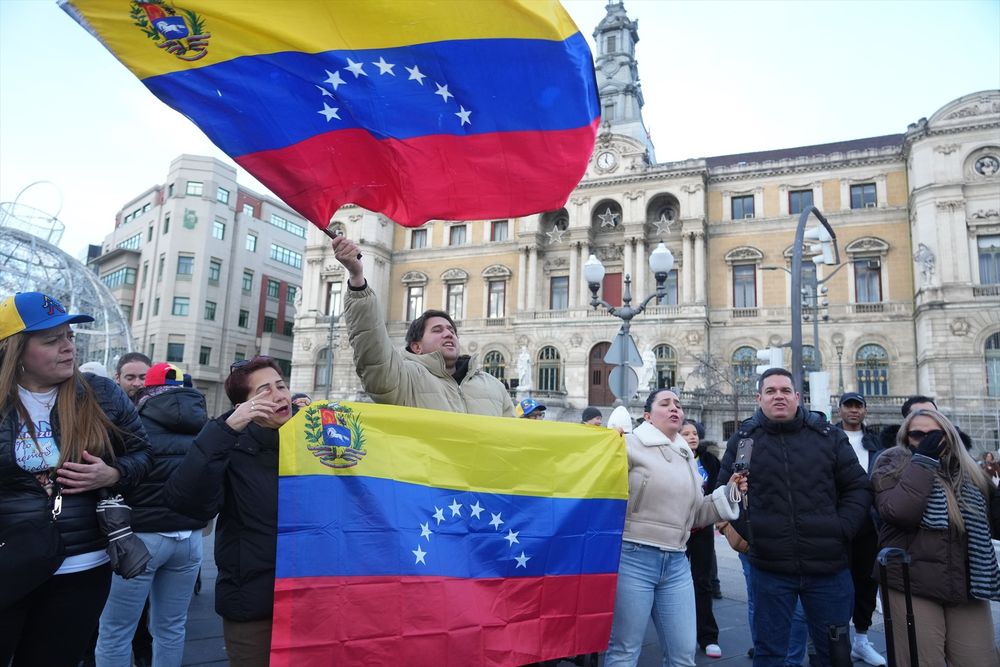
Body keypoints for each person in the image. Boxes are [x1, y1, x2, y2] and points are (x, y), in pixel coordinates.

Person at [0, 292, 151, 667]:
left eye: (69, 336)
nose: (68, 348)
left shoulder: (100, 394)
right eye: (52, 340)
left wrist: (113, 473)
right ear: (15, 350)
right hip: (9, 563)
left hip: (82, 568)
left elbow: (146, 456)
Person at [718, 368, 871, 667]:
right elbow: (722, 495)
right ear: (759, 398)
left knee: (834, 654)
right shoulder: (744, 440)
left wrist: (842, 530)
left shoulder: (828, 436)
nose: (779, 396)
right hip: (769, 568)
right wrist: (751, 535)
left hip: (829, 568)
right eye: (771, 391)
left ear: (798, 397)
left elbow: (858, 488)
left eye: (785, 391)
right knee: (770, 653)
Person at [164, 356, 293, 667]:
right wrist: (225, 429)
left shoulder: (312, 443)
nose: (279, 395)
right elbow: (185, 500)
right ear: (244, 405)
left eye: (282, 386)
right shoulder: (230, 446)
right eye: (264, 390)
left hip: (311, 597)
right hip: (254, 602)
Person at [604, 388, 745, 667]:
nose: (675, 409)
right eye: (665, 403)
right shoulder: (628, 444)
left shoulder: (685, 455)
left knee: (682, 656)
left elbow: (693, 516)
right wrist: (607, 444)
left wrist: (728, 494)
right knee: (624, 652)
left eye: (678, 405)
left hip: (677, 563)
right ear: (647, 415)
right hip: (634, 558)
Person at [95, 363, 208, 667]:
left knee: (116, 631)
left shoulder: (132, 424)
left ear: (148, 390)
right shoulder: (203, 426)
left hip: (139, 539)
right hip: (189, 540)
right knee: (171, 629)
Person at [330, 233, 514, 417]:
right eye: (437, 330)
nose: (449, 334)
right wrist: (357, 280)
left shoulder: (494, 386)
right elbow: (373, 350)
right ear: (416, 347)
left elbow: (514, 438)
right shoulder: (404, 380)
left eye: (451, 330)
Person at [871, 408, 1000, 666]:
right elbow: (899, 512)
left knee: (980, 660)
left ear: (949, 435)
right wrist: (924, 461)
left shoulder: (969, 472)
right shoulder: (891, 463)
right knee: (923, 661)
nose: (926, 440)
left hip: (967, 584)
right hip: (912, 581)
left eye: (935, 435)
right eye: (917, 434)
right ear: (906, 437)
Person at [832, 392, 885, 667]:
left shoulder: (876, 442)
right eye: (848, 406)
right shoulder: (828, 438)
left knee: (866, 582)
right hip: (839, 520)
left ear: (865, 411)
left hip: (869, 523)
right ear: (839, 409)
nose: (853, 410)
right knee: (838, 584)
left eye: (858, 406)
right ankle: (839, 642)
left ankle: (861, 641)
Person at [679, 419, 722, 659]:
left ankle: (708, 636)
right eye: (685, 433)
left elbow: (719, 489)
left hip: (702, 529)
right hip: (677, 528)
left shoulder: (709, 461)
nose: (692, 437)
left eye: (694, 433)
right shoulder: (672, 458)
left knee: (703, 582)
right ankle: (681, 635)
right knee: (675, 585)